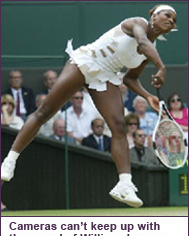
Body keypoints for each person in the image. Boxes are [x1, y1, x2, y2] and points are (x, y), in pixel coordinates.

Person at [1, 4, 177, 208]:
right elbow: (143, 41)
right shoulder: (138, 23)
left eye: (174, 20)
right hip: (86, 61)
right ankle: (10, 160)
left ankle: (125, 184)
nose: (171, 20)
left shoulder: (150, 51)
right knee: (45, 112)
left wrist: (147, 96)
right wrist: (161, 67)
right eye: (168, 15)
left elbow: (130, 79)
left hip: (106, 76)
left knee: (119, 126)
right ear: (154, 16)